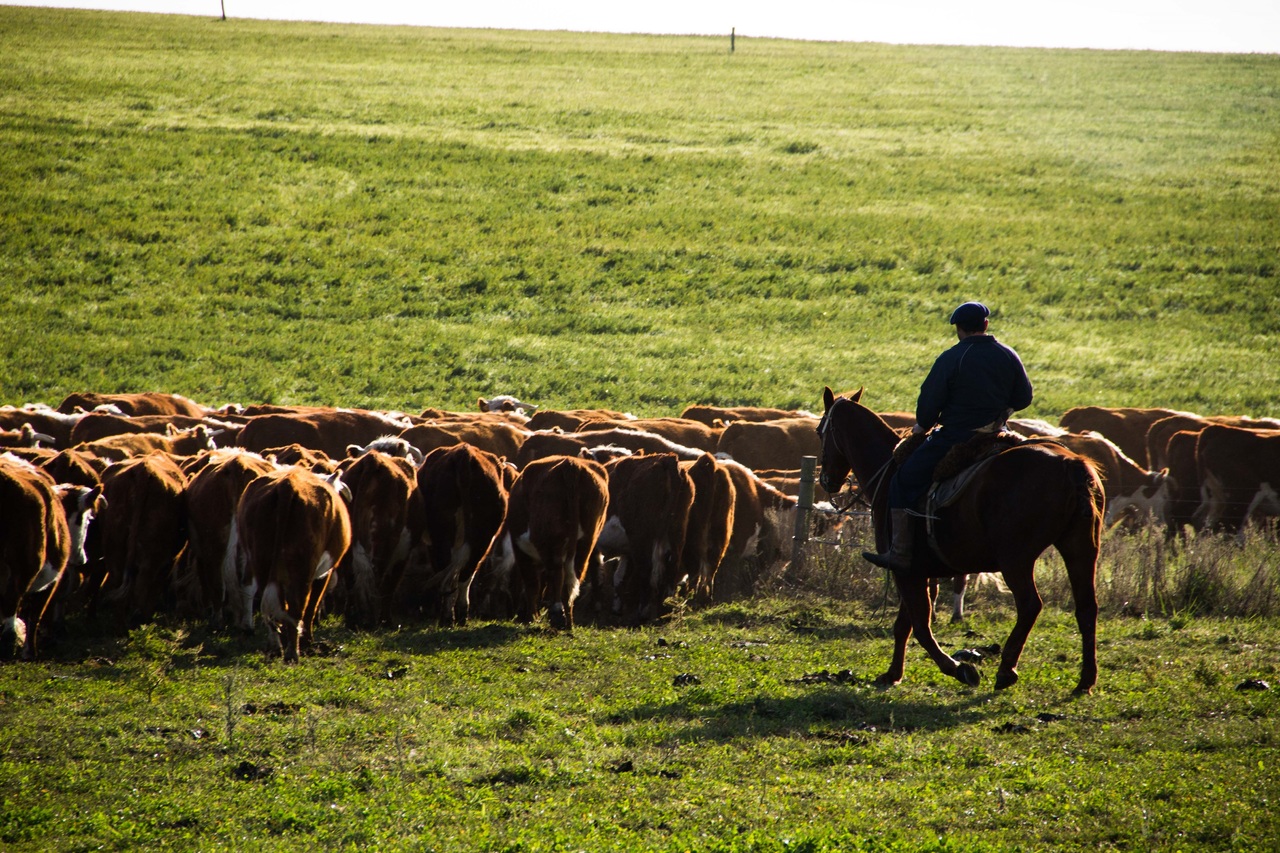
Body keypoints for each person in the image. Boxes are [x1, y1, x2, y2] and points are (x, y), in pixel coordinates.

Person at [862, 301, 1033, 572]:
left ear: (959, 329)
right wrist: (1003, 413)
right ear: (986, 325)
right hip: (999, 434)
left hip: (956, 437)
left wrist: (921, 427)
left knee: (903, 479)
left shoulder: (952, 357)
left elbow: (929, 406)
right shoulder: (1008, 354)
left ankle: (901, 553)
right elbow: (1024, 397)